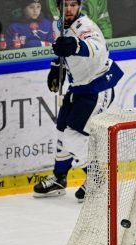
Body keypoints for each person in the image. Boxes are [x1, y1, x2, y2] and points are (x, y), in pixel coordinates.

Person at [33, 0, 123, 201]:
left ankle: (96, 178)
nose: (70, 9)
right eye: (66, 5)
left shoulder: (86, 26)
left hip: (98, 87)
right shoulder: (58, 25)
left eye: (74, 4)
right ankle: (59, 178)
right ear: (58, 7)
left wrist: (75, 45)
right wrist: (56, 67)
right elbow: (62, 50)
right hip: (79, 86)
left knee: (73, 136)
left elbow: (96, 47)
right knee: (62, 130)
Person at [46, 0, 112, 38]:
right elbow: (56, 24)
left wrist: (106, 43)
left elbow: (104, 22)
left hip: (91, 42)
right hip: (67, 44)